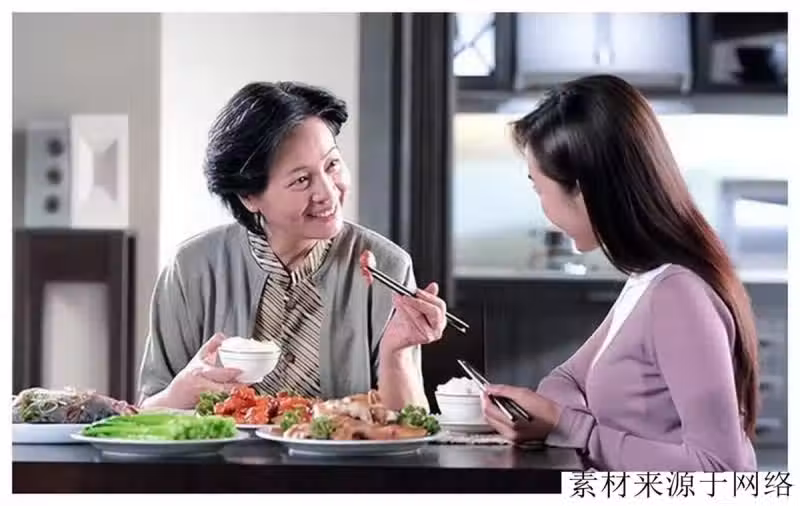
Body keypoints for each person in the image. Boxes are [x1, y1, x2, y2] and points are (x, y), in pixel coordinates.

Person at [481, 74, 759, 472]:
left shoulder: (677, 293)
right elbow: (563, 381)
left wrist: (567, 427)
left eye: (538, 188)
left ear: (583, 191)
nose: (542, 206)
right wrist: (557, 420)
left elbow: (719, 471)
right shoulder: (645, 281)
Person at [137, 81, 446, 411]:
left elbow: (410, 427)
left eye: (332, 165)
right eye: (301, 180)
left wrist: (396, 353)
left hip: (342, 449)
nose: (328, 192)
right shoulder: (191, 269)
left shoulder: (387, 267)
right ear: (249, 196)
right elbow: (145, 416)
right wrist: (179, 394)